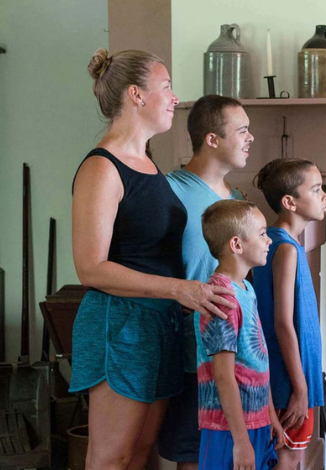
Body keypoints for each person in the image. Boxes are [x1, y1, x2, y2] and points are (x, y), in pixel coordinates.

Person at [70, 49, 234, 470]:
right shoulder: (101, 168)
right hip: (119, 325)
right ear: (136, 95)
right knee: (112, 458)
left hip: (159, 325)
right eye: (166, 87)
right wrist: (180, 289)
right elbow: (89, 267)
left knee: (140, 456)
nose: (175, 98)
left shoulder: (148, 164)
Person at [157, 95, 252, 469]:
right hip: (192, 357)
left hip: (240, 357)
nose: (251, 138)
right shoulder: (168, 191)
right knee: (196, 457)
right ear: (212, 139)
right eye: (242, 130)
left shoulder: (239, 200)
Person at [252, 158, 326, 469]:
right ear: (289, 202)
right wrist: (300, 388)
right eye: (317, 189)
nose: (325, 196)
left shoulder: (282, 245)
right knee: (288, 459)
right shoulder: (284, 249)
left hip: (293, 379)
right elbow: (282, 323)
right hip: (288, 382)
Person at [198, 199, 284, 470]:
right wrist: (240, 441)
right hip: (229, 429)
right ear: (236, 245)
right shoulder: (221, 296)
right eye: (261, 233)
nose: (268, 240)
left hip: (256, 422)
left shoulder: (247, 288)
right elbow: (223, 374)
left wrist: (270, 416)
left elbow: (259, 360)